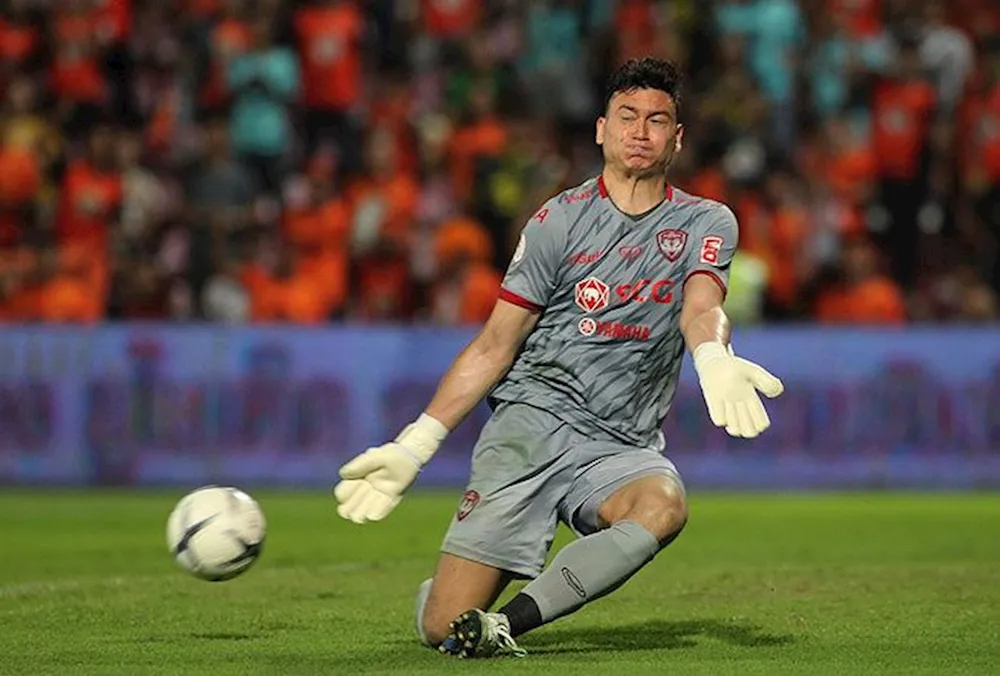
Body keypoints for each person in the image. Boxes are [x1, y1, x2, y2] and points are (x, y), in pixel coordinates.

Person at [332, 57, 785, 658]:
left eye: (656, 120)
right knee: (442, 626)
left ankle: (507, 624)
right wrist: (414, 445)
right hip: (531, 428)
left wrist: (712, 354)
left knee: (663, 504)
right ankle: (449, 596)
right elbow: (495, 344)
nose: (640, 131)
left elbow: (702, 307)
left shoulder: (706, 221)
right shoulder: (558, 221)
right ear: (601, 129)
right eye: (627, 117)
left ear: (677, 138)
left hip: (619, 445)